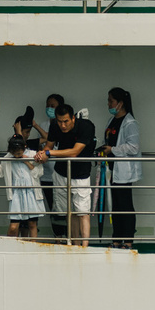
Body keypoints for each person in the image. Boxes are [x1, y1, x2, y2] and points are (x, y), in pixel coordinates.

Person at [42, 102, 97, 245]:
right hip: (61, 173)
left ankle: (84, 248)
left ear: (73, 118)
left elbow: (74, 152)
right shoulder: (55, 126)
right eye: (60, 122)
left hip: (81, 175)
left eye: (66, 121)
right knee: (69, 213)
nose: (63, 125)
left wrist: (49, 152)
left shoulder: (86, 126)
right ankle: (75, 245)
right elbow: (48, 145)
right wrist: (42, 154)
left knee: (83, 212)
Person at [102, 88, 141, 249]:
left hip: (124, 170)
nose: (109, 104)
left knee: (125, 205)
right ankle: (116, 239)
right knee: (115, 206)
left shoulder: (130, 123)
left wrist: (112, 150)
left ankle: (128, 240)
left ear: (120, 103)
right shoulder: (112, 120)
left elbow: (133, 147)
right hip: (111, 169)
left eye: (111, 100)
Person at [0, 135, 47, 240]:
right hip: (16, 193)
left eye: (19, 153)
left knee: (32, 224)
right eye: (14, 153)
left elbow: (39, 173)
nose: (16, 156)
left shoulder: (32, 155)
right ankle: (8, 245)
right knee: (14, 226)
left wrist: (27, 162)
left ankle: (33, 247)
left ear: (25, 147)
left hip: (31, 191)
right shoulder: (8, 157)